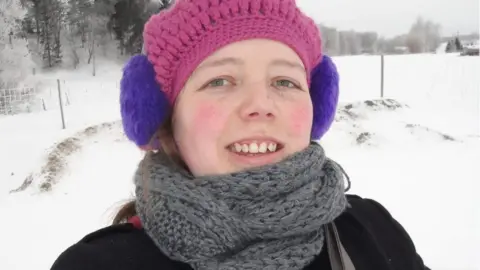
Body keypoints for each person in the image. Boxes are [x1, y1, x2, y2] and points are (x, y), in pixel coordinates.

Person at [50, 0, 430, 269]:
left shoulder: (372, 231)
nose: (260, 104)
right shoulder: (99, 265)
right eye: (220, 80)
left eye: (284, 80)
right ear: (165, 118)